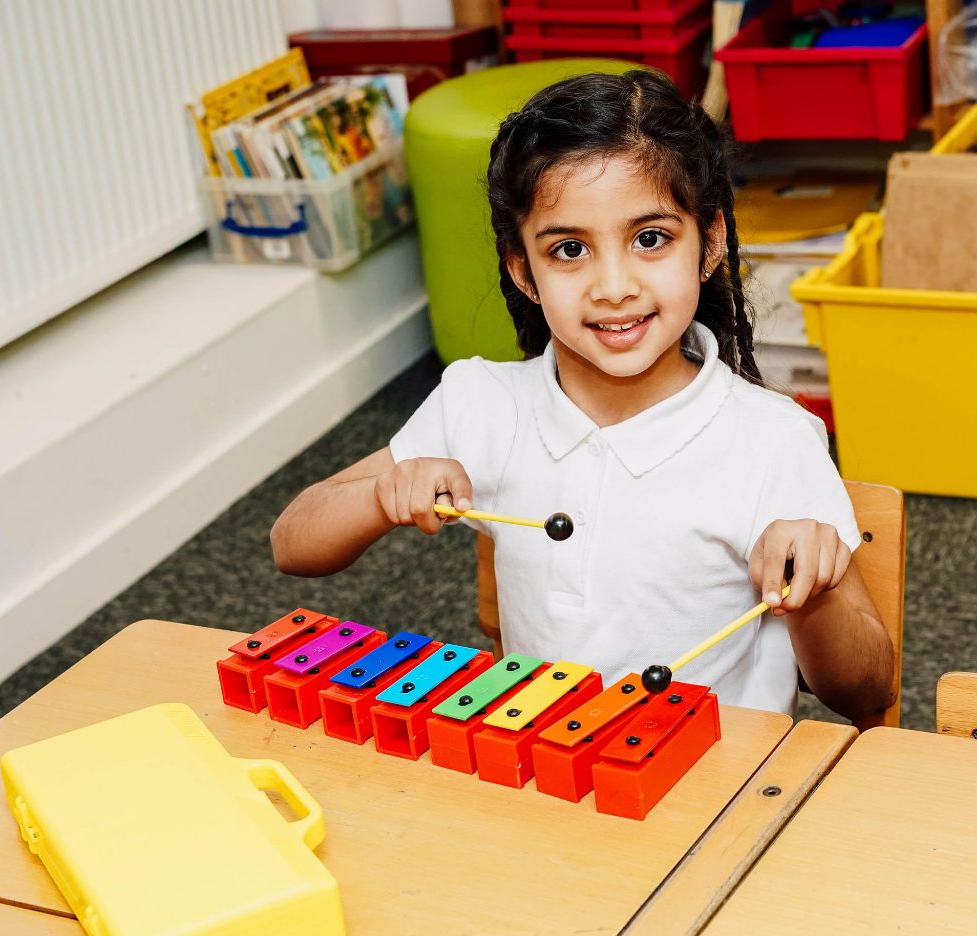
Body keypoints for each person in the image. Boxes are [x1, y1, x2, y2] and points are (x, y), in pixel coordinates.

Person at [271, 69, 894, 721]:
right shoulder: (481, 402)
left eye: (650, 239)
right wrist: (381, 494)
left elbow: (865, 692)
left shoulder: (773, 439)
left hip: (718, 790)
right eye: (570, 249)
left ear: (708, 244)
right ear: (524, 271)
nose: (613, 285)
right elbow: (293, 543)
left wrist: (815, 592)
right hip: (545, 773)